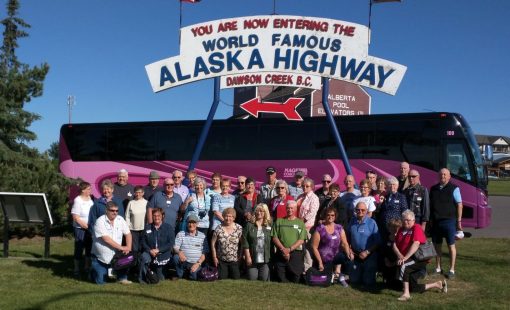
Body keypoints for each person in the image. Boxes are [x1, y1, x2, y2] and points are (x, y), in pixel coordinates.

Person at [393, 210, 447, 301]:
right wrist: (400, 255)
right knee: (413, 288)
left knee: (404, 266)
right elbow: (394, 244)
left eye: (408, 220)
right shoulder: (401, 230)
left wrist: (405, 258)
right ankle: (437, 284)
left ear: (414, 220)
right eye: (404, 219)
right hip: (407, 257)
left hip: (419, 258)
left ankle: (406, 294)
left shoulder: (416, 227)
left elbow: (416, 244)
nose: (406, 221)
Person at [430, 168, 463, 279]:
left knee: (451, 246)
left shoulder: (454, 189)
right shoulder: (433, 189)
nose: (442, 176)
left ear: (449, 177)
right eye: (441, 174)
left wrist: (459, 221)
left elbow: (459, 205)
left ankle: (452, 270)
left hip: (449, 221)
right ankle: (438, 268)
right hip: (436, 222)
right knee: (437, 246)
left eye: (445, 174)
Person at [90, 201, 132, 285]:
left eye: (116, 211)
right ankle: (93, 273)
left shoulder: (120, 219)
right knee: (101, 282)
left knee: (125, 257)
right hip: (101, 258)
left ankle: (122, 277)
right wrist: (122, 248)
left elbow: (128, 234)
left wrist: (128, 247)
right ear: (106, 210)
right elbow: (106, 239)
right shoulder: (100, 221)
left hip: (116, 254)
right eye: (112, 210)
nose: (115, 212)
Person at [311, 207, 353, 287]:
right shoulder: (319, 229)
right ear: (325, 216)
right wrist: (320, 262)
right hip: (323, 259)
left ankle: (342, 276)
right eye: (328, 215)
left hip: (336, 256)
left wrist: (348, 252)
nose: (330, 217)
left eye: (332, 215)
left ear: (335, 216)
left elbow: (344, 243)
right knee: (324, 282)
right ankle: (331, 276)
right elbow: (314, 247)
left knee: (349, 258)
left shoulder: (339, 228)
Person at [346, 201, 380, 289]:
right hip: (356, 255)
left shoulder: (372, 223)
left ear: (367, 211)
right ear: (355, 210)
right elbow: (347, 238)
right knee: (354, 281)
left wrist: (367, 252)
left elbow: (377, 242)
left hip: (369, 255)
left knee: (368, 282)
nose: (360, 212)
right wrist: (349, 250)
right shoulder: (352, 222)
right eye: (358, 210)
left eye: (363, 210)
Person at [271, 200, 307, 283]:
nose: (289, 210)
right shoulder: (279, 221)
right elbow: (274, 237)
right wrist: (283, 249)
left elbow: (301, 239)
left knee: (296, 278)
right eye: (288, 208)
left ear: (295, 209)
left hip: (295, 252)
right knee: (280, 277)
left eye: (292, 208)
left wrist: (289, 249)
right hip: (281, 252)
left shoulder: (300, 223)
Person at [139, 208, 174, 283]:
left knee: (160, 278)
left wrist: (158, 250)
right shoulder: (147, 227)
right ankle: (142, 280)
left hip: (162, 255)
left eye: (158, 215)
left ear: (162, 216)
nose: (156, 217)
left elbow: (171, 243)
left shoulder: (168, 228)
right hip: (150, 253)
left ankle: (154, 271)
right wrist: (150, 250)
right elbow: (143, 242)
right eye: (154, 215)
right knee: (144, 257)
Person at [173, 214, 209, 280]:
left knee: (194, 277)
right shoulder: (181, 234)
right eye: (189, 222)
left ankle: (188, 273)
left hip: (195, 263)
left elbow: (204, 253)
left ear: (197, 224)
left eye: (193, 222)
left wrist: (198, 263)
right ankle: (180, 275)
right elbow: (175, 247)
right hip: (184, 261)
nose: (191, 225)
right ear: (187, 223)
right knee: (176, 257)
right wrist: (179, 252)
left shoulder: (203, 236)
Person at [242, 203, 272, 281]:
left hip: (265, 258)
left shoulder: (270, 225)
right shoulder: (249, 225)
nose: (259, 213)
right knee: (252, 278)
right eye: (257, 211)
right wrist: (248, 257)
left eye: (261, 211)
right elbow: (245, 242)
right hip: (253, 257)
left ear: (265, 212)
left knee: (264, 279)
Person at [211, 208, 243, 279]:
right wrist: (214, 257)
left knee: (236, 277)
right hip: (222, 260)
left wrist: (240, 256)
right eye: (226, 216)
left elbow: (243, 244)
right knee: (222, 277)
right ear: (223, 216)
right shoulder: (218, 228)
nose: (228, 218)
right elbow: (213, 244)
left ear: (234, 218)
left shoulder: (239, 228)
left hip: (234, 260)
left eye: (230, 216)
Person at [71, 181, 94, 278]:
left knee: (89, 248)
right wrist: (84, 225)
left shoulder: (90, 199)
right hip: (80, 228)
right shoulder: (78, 200)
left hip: (89, 228)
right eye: (88, 189)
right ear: (83, 190)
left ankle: (87, 267)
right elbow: (75, 217)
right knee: (79, 248)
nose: (90, 190)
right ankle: (76, 269)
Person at [296, 177, 320, 272]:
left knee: (307, 250)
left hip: (308, 227)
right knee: (299, 248)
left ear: (312, 187)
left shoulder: (314, 198)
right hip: (298, 226)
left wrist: (302, 220)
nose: (304, 188)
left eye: (307, 186)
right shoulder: (300, 196)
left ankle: (307, 270)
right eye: (303, 186)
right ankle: (299, 269)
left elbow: (312, 213)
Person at [125, 186, 147, 257]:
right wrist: (128, 227)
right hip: (133, 230)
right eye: (136, 192)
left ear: (143, 193)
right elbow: (127, 216)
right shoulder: (131, 203)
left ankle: (141, 264)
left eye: (140, 192)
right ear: (134, 193)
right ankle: (134, 265)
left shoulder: (146, 203)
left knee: (143, 247)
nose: (138, 194)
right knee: (134, 249)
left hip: (144, 229)